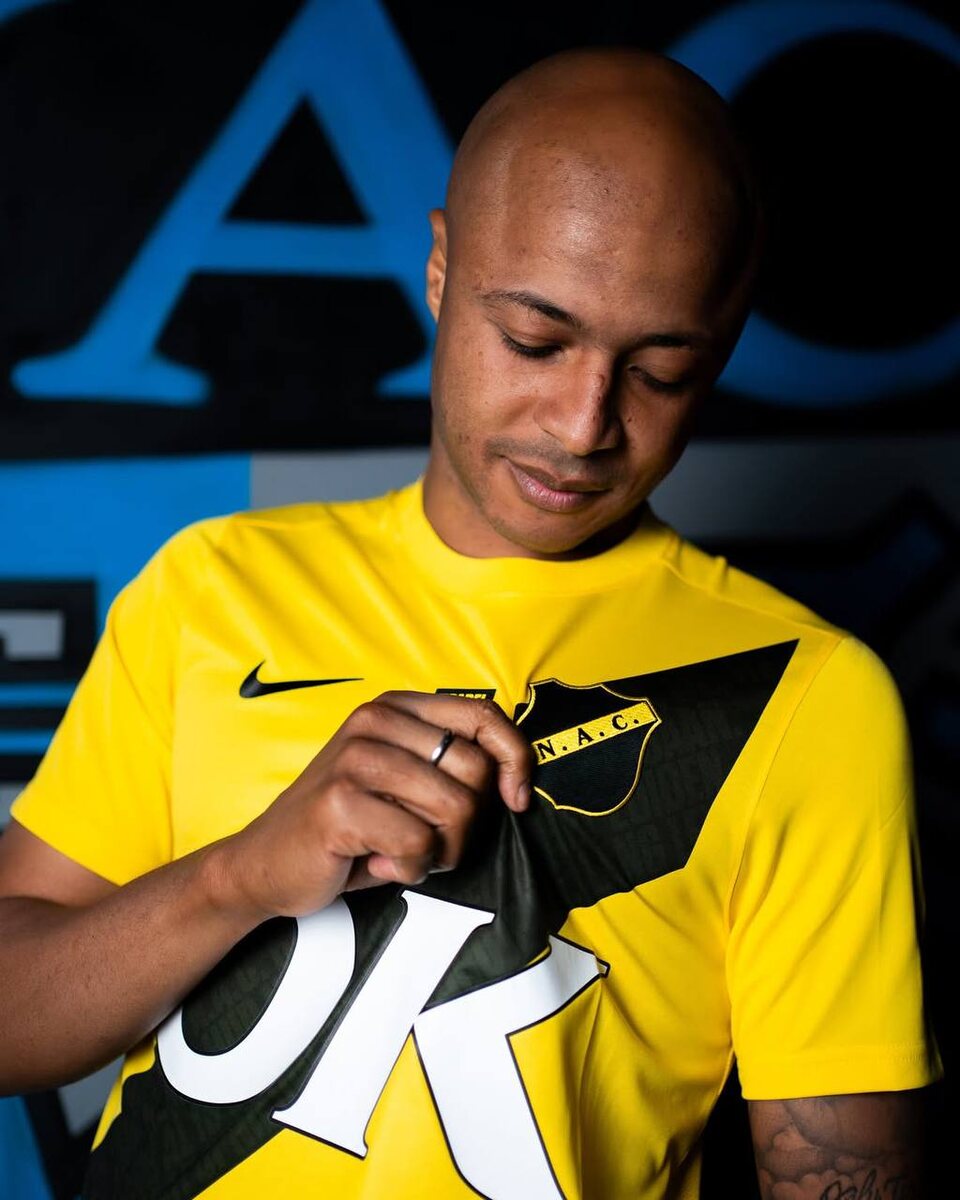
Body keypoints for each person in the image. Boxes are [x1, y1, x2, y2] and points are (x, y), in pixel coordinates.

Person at [0, 47, 940, 1200]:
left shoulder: (801, 693)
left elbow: (840, 1172)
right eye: (536, 341)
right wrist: (238, 878)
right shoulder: (214, 586)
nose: (584, 424)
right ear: (442, 268)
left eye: (660, 371)